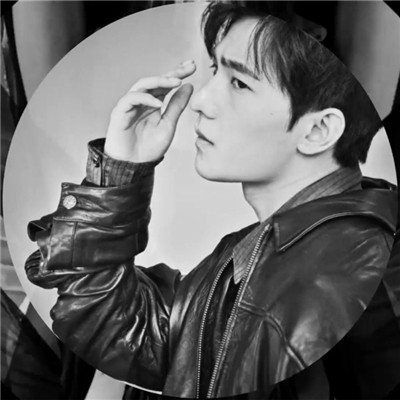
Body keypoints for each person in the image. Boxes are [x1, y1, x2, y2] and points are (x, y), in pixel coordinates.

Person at [24, 2, 397, 398]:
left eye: (240, 83)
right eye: (216, 70)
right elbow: (138, 339)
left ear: (319, 130)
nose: (201, 100)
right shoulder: (265, 248)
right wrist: (121, 170)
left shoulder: (336, 276)